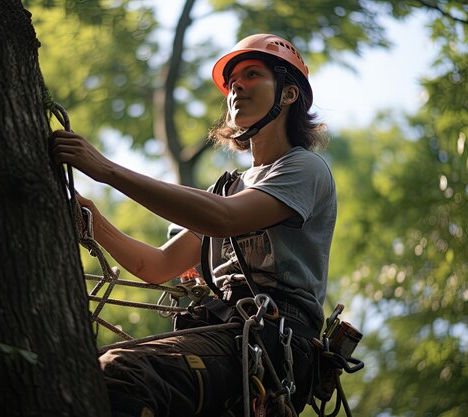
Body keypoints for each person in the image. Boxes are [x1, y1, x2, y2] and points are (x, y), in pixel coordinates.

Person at [52, 33, 336, 417]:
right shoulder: (228, 188)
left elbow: (225, 218)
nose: (237, 86)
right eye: (233, 81)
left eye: (253, 75)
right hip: (226, 334)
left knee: (123, 373)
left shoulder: (303, 168)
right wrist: (94, 222)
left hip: (272, 342)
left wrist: (108, 171)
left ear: (288, 94)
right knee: (82, 371)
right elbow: (156, 266)